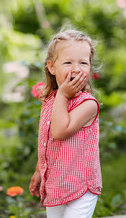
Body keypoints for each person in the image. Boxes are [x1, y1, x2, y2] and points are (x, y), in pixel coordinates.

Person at [29, 28, 102, 218]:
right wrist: (39, 171)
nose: (76, 69)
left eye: (83, 63)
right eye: (68, 62)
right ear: (52, 67)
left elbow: (60, 131)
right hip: (56, 185)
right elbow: (47, 141)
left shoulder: (88, 104)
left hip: (81, 188)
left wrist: (62, 94)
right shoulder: (50, 100)